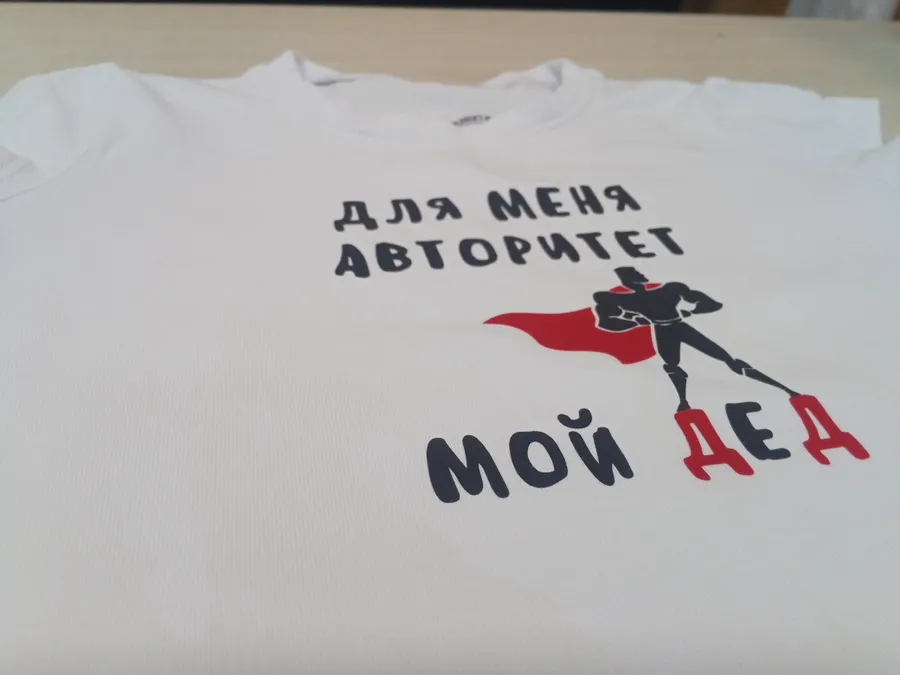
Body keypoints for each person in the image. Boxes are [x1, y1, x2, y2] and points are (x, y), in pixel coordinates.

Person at [593, 267, 798, 411]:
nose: (641, 274)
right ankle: (683, 402)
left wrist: (691, 312)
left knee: (722, 358)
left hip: (677, 327)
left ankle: (785, 389)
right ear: (627, 281)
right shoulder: (624, 298)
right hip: (666, 331)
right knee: (675, 365)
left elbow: (711, 304)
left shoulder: (668, 289)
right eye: (634, 273)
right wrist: (635, 321)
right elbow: (605, 322)